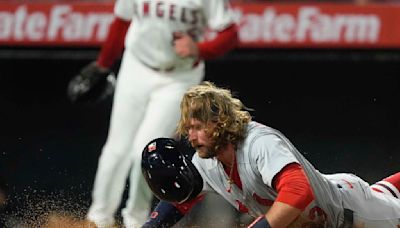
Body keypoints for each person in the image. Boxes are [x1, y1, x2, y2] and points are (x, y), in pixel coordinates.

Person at [67, 0, 240, 226]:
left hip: (179, 76)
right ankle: (98, 219)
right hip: (136, 67)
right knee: (116, 149)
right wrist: (103, 64)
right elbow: (121, 22)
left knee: (146, 148)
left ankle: (136, 220)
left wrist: (200, 49)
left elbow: (231, 34)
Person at [141, 81, 400, 228]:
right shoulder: (207, 160)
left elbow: (300, 190)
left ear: (219, 122)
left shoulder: (258, 142)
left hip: (353, 215)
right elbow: (181, 199)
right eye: (188, 129)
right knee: (383, 191)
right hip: (327, 209)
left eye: (197, 127)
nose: (191, 136)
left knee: (388, 204)